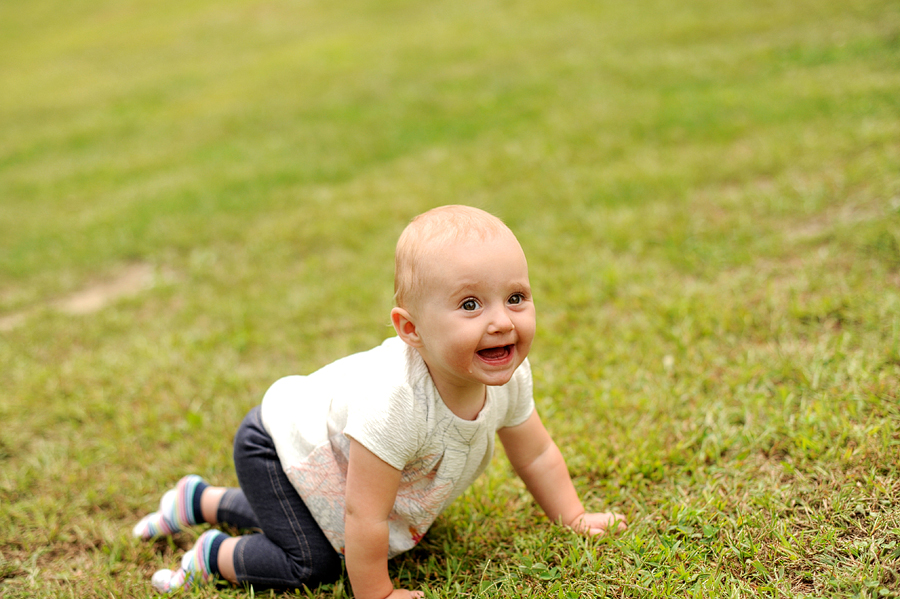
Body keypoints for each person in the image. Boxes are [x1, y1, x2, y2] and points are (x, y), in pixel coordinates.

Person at [133, 205, 626, 598]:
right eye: (470, 305)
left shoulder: (509, 375)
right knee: (315, 560)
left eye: (515, 297)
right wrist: (376, 592)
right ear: (411, 330)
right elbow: (364, 516)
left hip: (325, 460)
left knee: (306, 517)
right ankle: (210, 553)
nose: (501, 321)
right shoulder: (397, 402)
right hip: (278, 443)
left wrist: (574, 516)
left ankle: (197, 499)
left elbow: (536, 453)